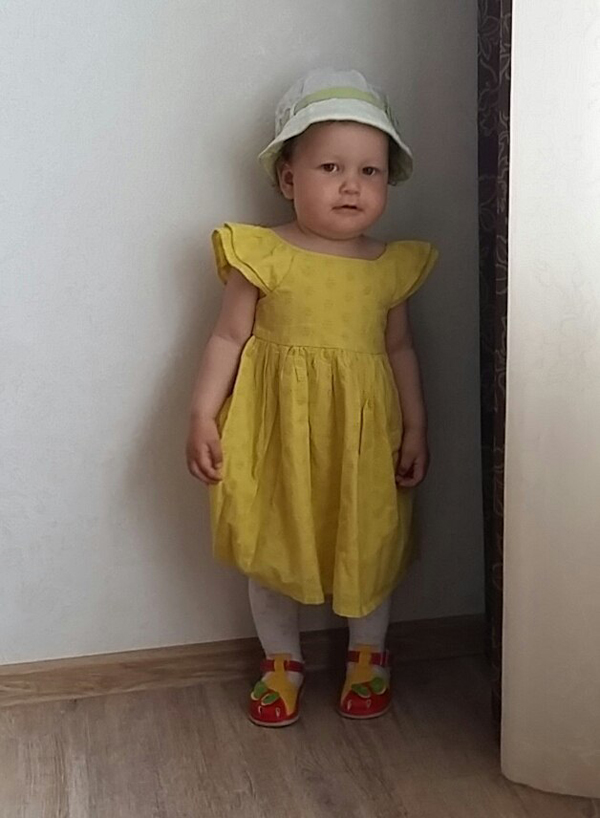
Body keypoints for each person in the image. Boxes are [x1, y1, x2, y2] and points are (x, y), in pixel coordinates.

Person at [186, 68, 438, 727]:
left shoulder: (388, 267)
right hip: (277, 436)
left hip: (362, 440)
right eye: (331, 167)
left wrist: (416, 427)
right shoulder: (263, 254)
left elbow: (400, 351)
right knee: (273, 543)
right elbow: (228, 337)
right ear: (289, 178)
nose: (352, 185)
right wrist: (202, 413)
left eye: (370, 171)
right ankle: (281, 660)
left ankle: (368, 655)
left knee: (367, 542)